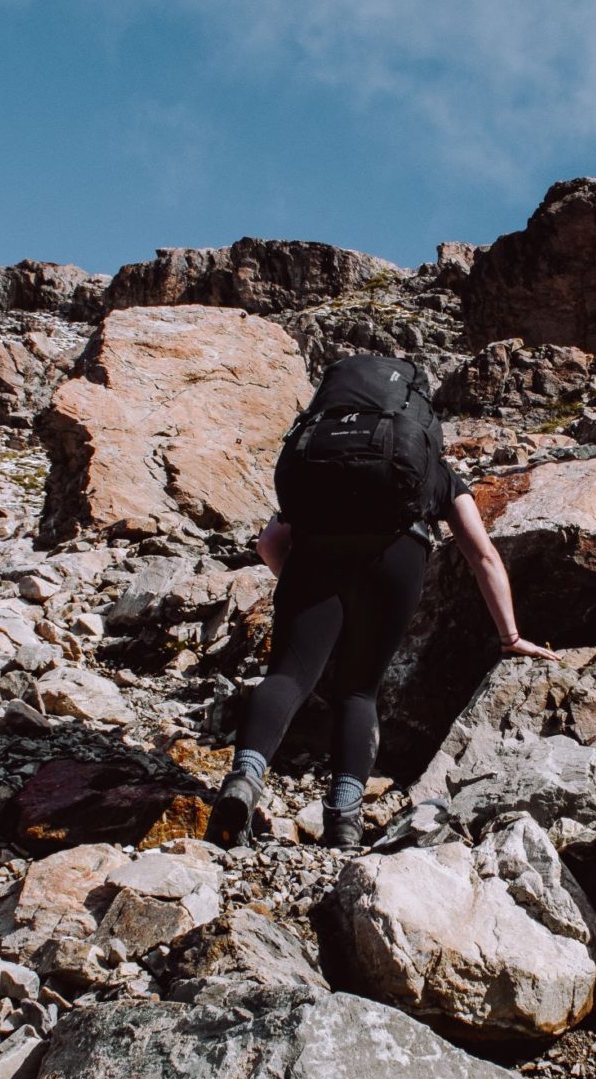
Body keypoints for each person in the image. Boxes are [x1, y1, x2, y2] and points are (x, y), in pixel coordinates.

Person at [208, 356, 556, 851]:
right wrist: (511, 637)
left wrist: (309, 592)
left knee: (288, 675)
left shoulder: (321, 462)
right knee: (359, 691)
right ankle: (345, 818)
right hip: (396, 561)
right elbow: (483, 556)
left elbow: (268, 543)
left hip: (316, 554)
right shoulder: (429, 469)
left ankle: (243, 779)